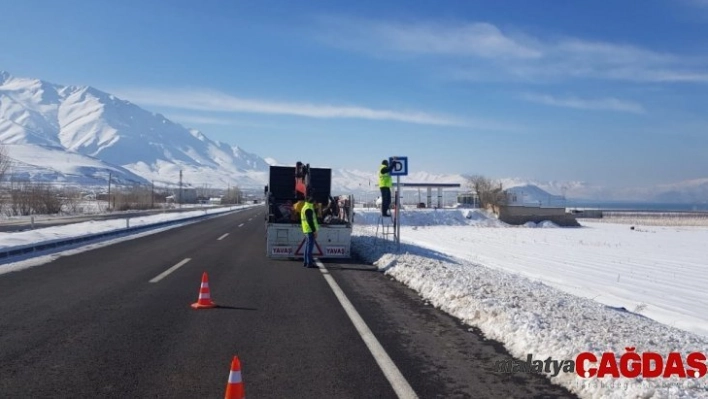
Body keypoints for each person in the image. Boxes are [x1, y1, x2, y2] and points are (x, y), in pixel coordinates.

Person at [300, 194, 319, 268]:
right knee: (310, 248)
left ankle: (305, 262)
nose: (315, 203)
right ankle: (309, 263)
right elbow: (310, 221)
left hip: (306, 230)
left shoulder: (305, 207)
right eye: (315, 201)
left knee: (307, 247)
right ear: (312, 201)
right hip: (310, 230)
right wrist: (314, 231)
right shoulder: (308, 209)